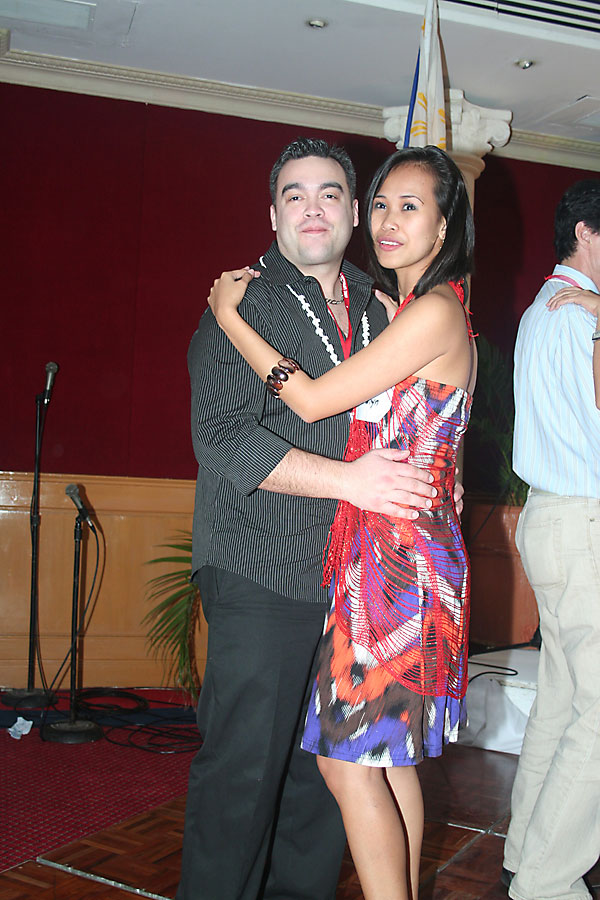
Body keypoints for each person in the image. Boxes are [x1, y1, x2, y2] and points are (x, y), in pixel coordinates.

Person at [177, 138, 460, 900]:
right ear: (272, 214)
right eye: (294, 194)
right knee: (242, 779)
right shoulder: (244, 304)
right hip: (259, 569)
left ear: (353, 214)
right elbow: (223, 438)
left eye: (330, 193)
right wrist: (350, 482)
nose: (312, 208)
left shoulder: (382, 307)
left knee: (326, 791)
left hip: (352, 584)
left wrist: (441, 484)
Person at [502, 179, 600, 900]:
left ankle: (522, 854)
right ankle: (545, 883)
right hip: (585, 522)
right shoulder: (580, 318)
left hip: (552, 519)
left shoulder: (544, 310)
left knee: (564, 702)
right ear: (587, 233)